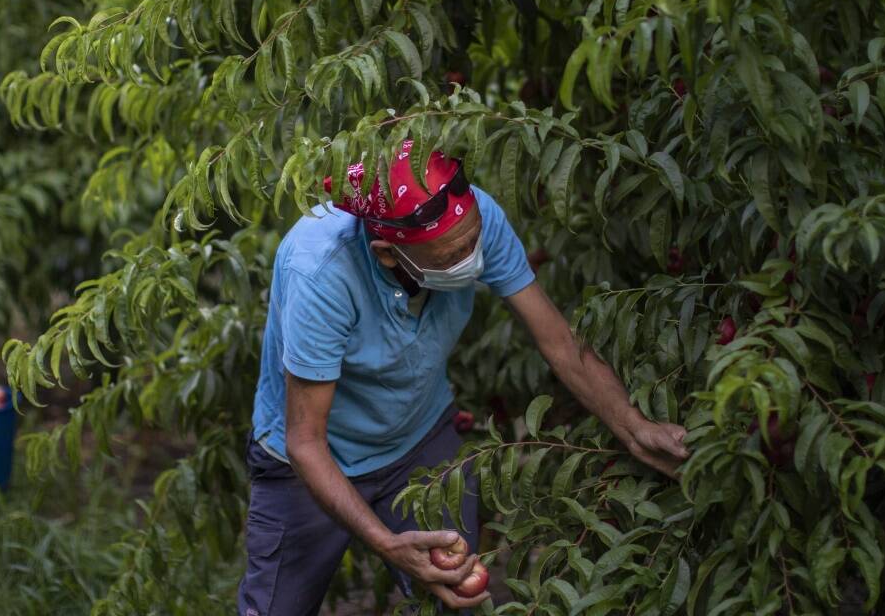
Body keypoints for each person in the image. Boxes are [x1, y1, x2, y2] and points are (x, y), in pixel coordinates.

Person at [238, 143, 690, 615]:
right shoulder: (320, 273)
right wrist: (386, 542)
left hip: (418, 440)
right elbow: (305, 440)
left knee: (457, 599)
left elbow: (558, 340)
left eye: (474, 239)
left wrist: (635, 427)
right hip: (308, 465)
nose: (473, 254)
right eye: (454, 252)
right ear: (389, 255)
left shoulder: (473, 219)